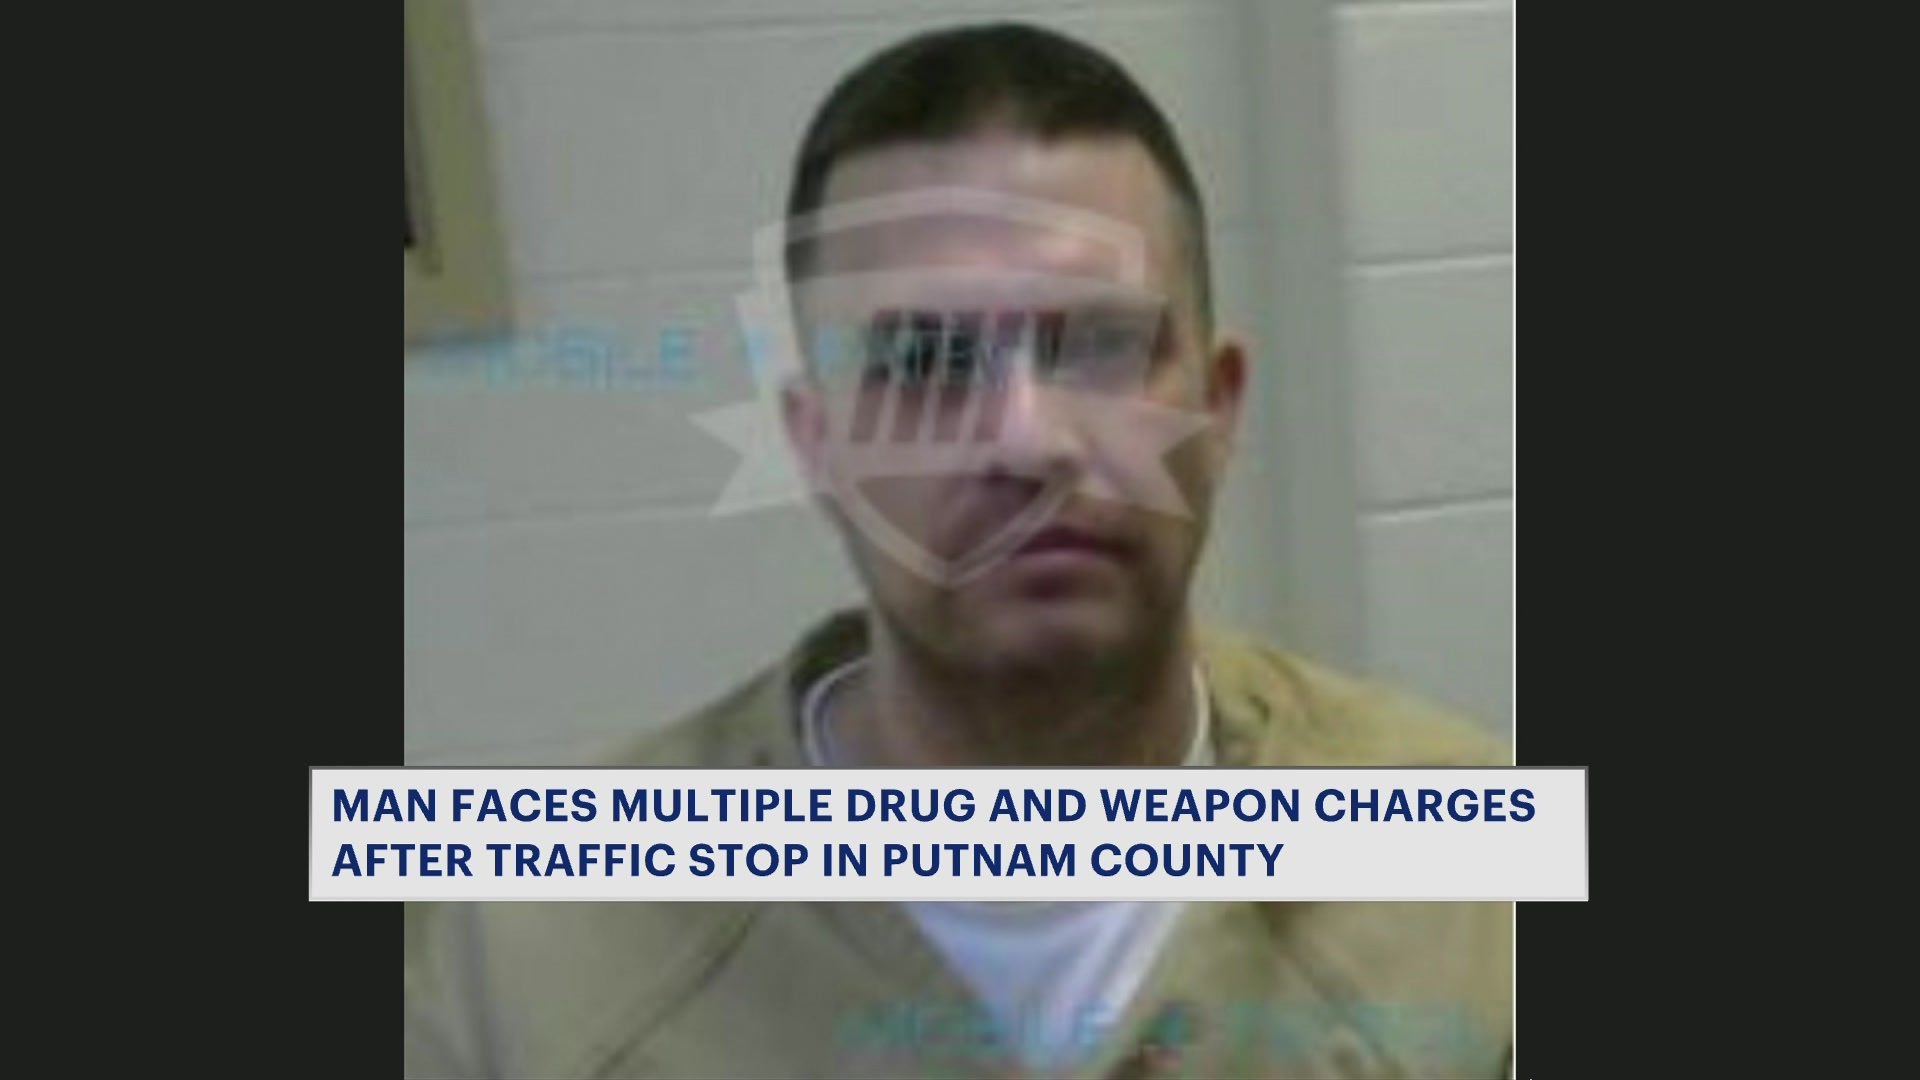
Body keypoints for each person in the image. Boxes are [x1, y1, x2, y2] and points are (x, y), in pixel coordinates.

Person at [406, 22, 1512, 1079]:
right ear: (818, 443)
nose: (1029, 440)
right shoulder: (528, 958)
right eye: (924, 363)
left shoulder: (1469, 885)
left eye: (1104, 345)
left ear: (1217, 410)